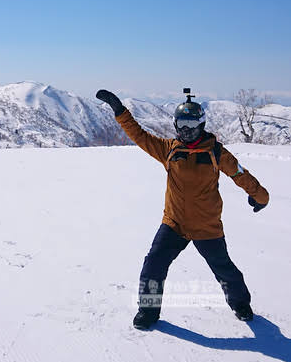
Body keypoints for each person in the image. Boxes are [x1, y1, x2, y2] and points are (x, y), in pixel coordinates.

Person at [96, 88, 270, 330]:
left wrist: (260, 196)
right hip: (174, 223)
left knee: (224, 269)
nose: (185, 131)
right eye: (181, 125)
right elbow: (140, 136)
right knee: (153, 265)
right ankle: (148, 311)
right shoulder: (169, 149)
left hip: (206, 226)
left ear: (201, 125)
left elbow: (240, 174)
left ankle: (241, 304)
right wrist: (120, 111)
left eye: (191, 125)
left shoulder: (216, 152)